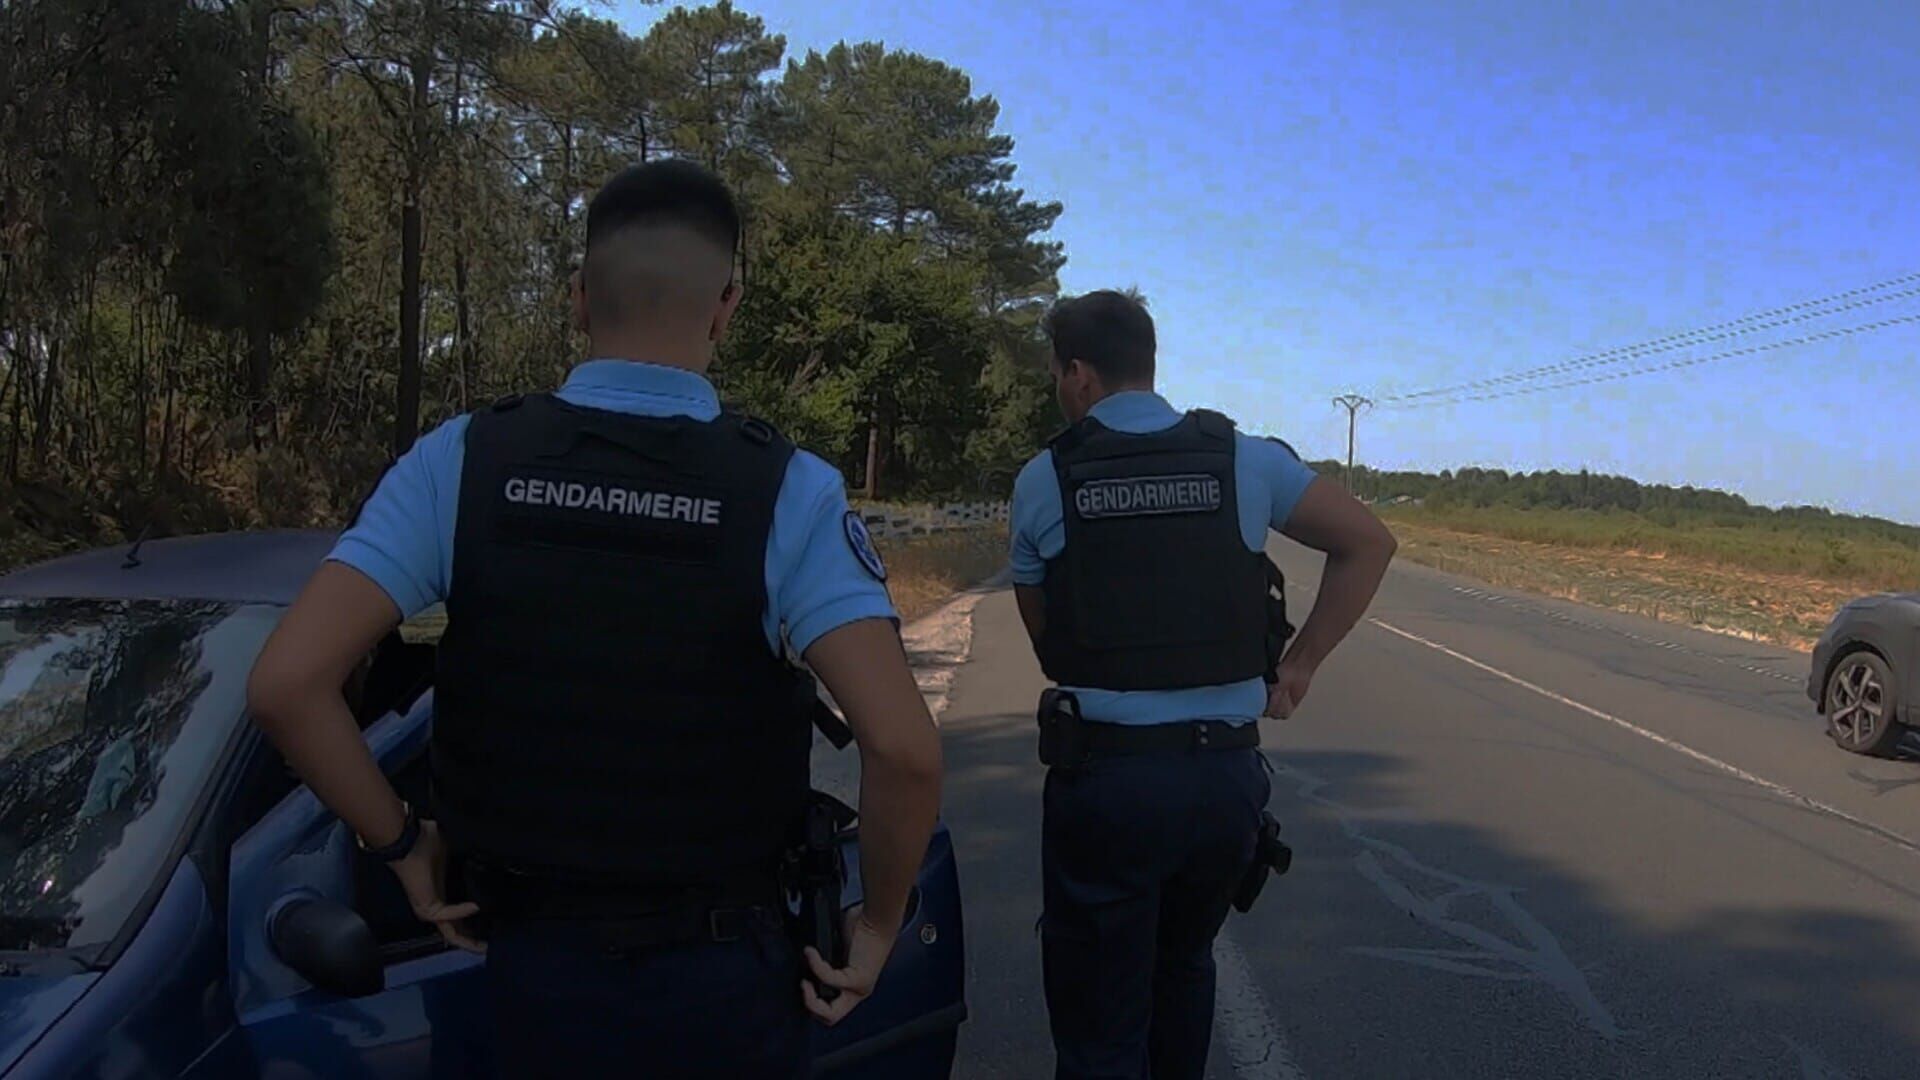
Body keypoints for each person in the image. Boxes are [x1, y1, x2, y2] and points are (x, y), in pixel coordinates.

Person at [246, 159, 944, 1078]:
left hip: (525, 978)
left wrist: (405, 846)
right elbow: (903, 749)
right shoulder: (789, 491)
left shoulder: (460, 461)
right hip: (722, 988)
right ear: (726, 309)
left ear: (578, 298)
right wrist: (880, 924)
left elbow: (287, 685)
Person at [1008, 290, 1396, 1079]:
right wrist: (1300, 665)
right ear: (1148, 364)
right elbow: (1368, 542)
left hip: (1109, 783)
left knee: (1099, 1019)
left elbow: (1045, 638)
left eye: (1056, 375)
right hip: (1223, 784)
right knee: (1184, 968)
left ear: (1078, 374)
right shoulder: (1244, 459)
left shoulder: (1047, 478)